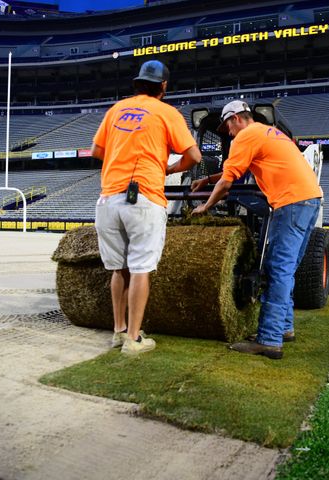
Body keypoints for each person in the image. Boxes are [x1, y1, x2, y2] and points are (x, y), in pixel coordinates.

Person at [191, 100, 322, 360]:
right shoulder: (268, 133)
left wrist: (205, 206)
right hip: (310, 199)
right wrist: (206, 179)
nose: (228, 132)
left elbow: (228, 183)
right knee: (287, 269)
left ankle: (269, 339)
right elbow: (233, 171)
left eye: (228, 126)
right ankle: (284, 328)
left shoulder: (245, 136)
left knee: (278, 269)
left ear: (237, 118)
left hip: (291, 202)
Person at [91, 60, 202, 355]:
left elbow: (96, 151)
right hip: (144, 196)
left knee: (118, 268)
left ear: (137, 83)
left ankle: (118, 331)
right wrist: (169, 168)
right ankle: (134, 338)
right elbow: (194, 155)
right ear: (163, 86)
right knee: (141, 268)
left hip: (108, 198)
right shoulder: (167, 112)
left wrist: (120, 161)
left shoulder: (116, 109)